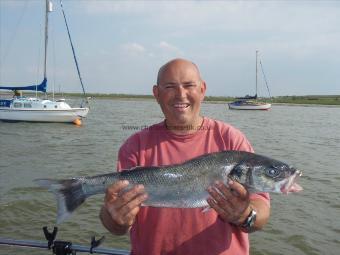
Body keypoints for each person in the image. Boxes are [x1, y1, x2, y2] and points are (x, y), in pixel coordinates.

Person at [100, 58, 270, 255]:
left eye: (189, 85)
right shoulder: (134, 145)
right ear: (157, 94)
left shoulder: (231, 139)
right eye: (170, 87)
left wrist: (245, 215)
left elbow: (262, 212)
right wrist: (115, 218)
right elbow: (114, 225)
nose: (181, 95)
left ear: (202, 90)